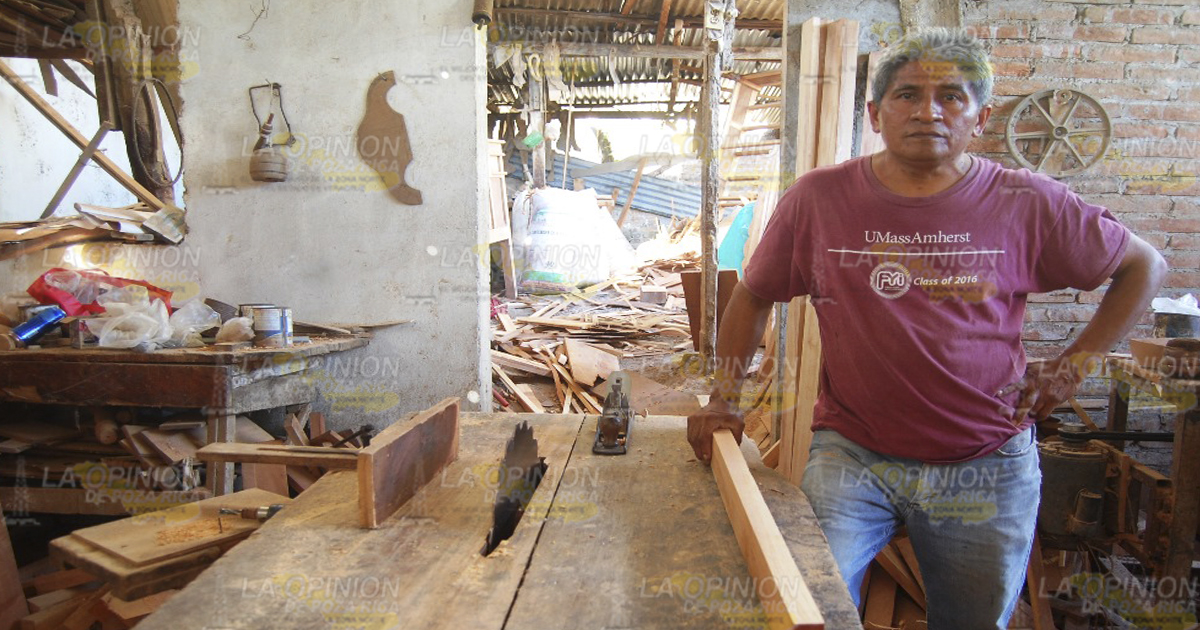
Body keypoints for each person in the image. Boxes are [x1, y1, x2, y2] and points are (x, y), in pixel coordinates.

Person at [685, 28, 1167, 629]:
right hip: (853, 454)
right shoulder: (818, 199)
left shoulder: (1027, 201)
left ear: (981, 116)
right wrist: (723, 396)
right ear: (875, 113)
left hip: (987, 458)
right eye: (907, 94)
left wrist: (1078, 363)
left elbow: (1144, 265)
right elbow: (754, 295)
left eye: (952, 97)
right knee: (804, 608)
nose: (928, 111)